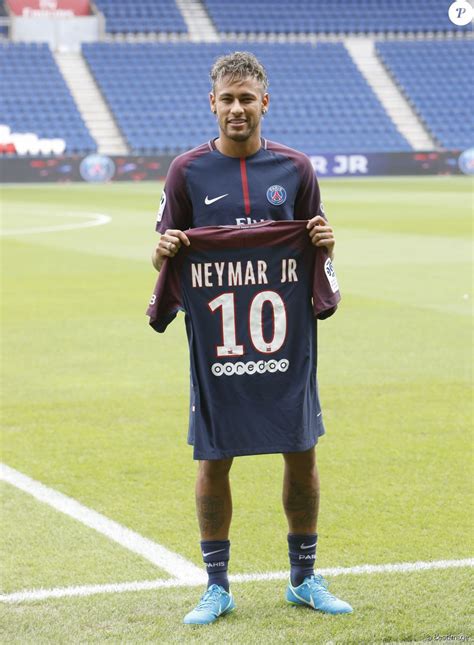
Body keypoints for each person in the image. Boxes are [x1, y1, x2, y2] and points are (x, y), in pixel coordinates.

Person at [151, 51, 353, 624]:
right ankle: (217, 586)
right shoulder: (186, 171)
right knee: (215, 458)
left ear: (265, 102)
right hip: (217, 345)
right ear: (211, 104)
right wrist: (163, 249)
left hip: (287, 345)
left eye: (246, 98)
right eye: (226, 99)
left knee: (301, 450)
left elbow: (319, 249)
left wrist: (327, 249)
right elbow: (163, 250)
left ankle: (305, 578)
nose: (236, 108)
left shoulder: (297, 169)